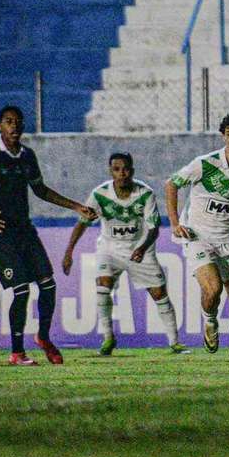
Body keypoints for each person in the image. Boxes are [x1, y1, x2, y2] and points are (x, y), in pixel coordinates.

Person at [0, 105, 92, 366]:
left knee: (48, 285)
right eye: (9, 121)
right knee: (21, 291)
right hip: (0, 234)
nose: (14, 126)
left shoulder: (27, 155)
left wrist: (76, 206)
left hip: (25, 232)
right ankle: (17, 353)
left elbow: (40, 190)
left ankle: (42, 337)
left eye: (18, 122)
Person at [165, 111, 229, 366]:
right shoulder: (205, 164)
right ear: (223, 136)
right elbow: (171, 184)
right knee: (213, 289)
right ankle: (210, 321)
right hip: (198, 236)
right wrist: (175, 223)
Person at [62, 152, 189, 355]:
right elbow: (82, 223)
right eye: (117, 169)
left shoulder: (145, 193)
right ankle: (107, 338)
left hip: (140, 248)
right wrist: (69, 251)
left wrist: (141, 247)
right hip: (109, 249)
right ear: (111, 171)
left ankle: (175, 342)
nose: (122, 173)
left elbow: (154, 228)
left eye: (126, 169)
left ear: (132, 171)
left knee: (159, 293)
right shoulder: (99, 195)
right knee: (103, 285)